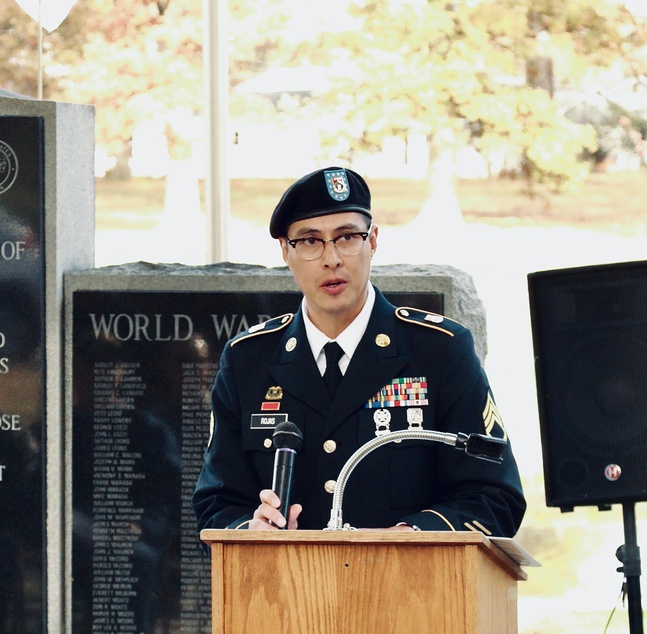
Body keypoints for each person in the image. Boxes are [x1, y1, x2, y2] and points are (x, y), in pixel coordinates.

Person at [192, 166, 526, 535]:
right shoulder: (248, 360)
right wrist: (250, 530)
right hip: (291, 589)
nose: (331, 258)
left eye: (347, 237)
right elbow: (217, 503)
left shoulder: (440, 350)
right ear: (286, 251)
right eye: (309, 241)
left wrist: (414, 536)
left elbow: (495, 497)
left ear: (373, 241)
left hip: (412, 588)